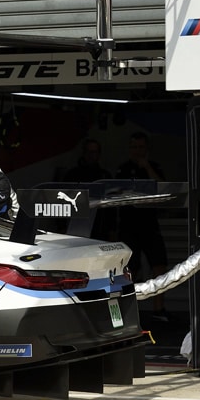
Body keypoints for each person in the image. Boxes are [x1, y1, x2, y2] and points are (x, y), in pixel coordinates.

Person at [115, 131, 169, 320]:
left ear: (147, 149)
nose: (138, 151)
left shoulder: (154, 167)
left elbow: (164, 188)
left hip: (150, 224)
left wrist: (146, 167)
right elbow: (115, 195)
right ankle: (128, 312)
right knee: (129, 269)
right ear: (129, 149)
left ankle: (159, 310)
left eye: (141, 147)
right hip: (129, 226)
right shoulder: (122, 170)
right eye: (134, 147)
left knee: (159, 265)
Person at [62, 138, 114, 239]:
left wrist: (112, 229)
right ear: (84, 153)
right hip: (75, 226)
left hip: (99, 226)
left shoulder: (105, 176)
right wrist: (62, 226)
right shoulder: (72, 175)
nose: (91, 155)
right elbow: (62, 202)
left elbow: (111, 206)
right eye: (88, 152)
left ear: (99, 154)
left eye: (94, 152)